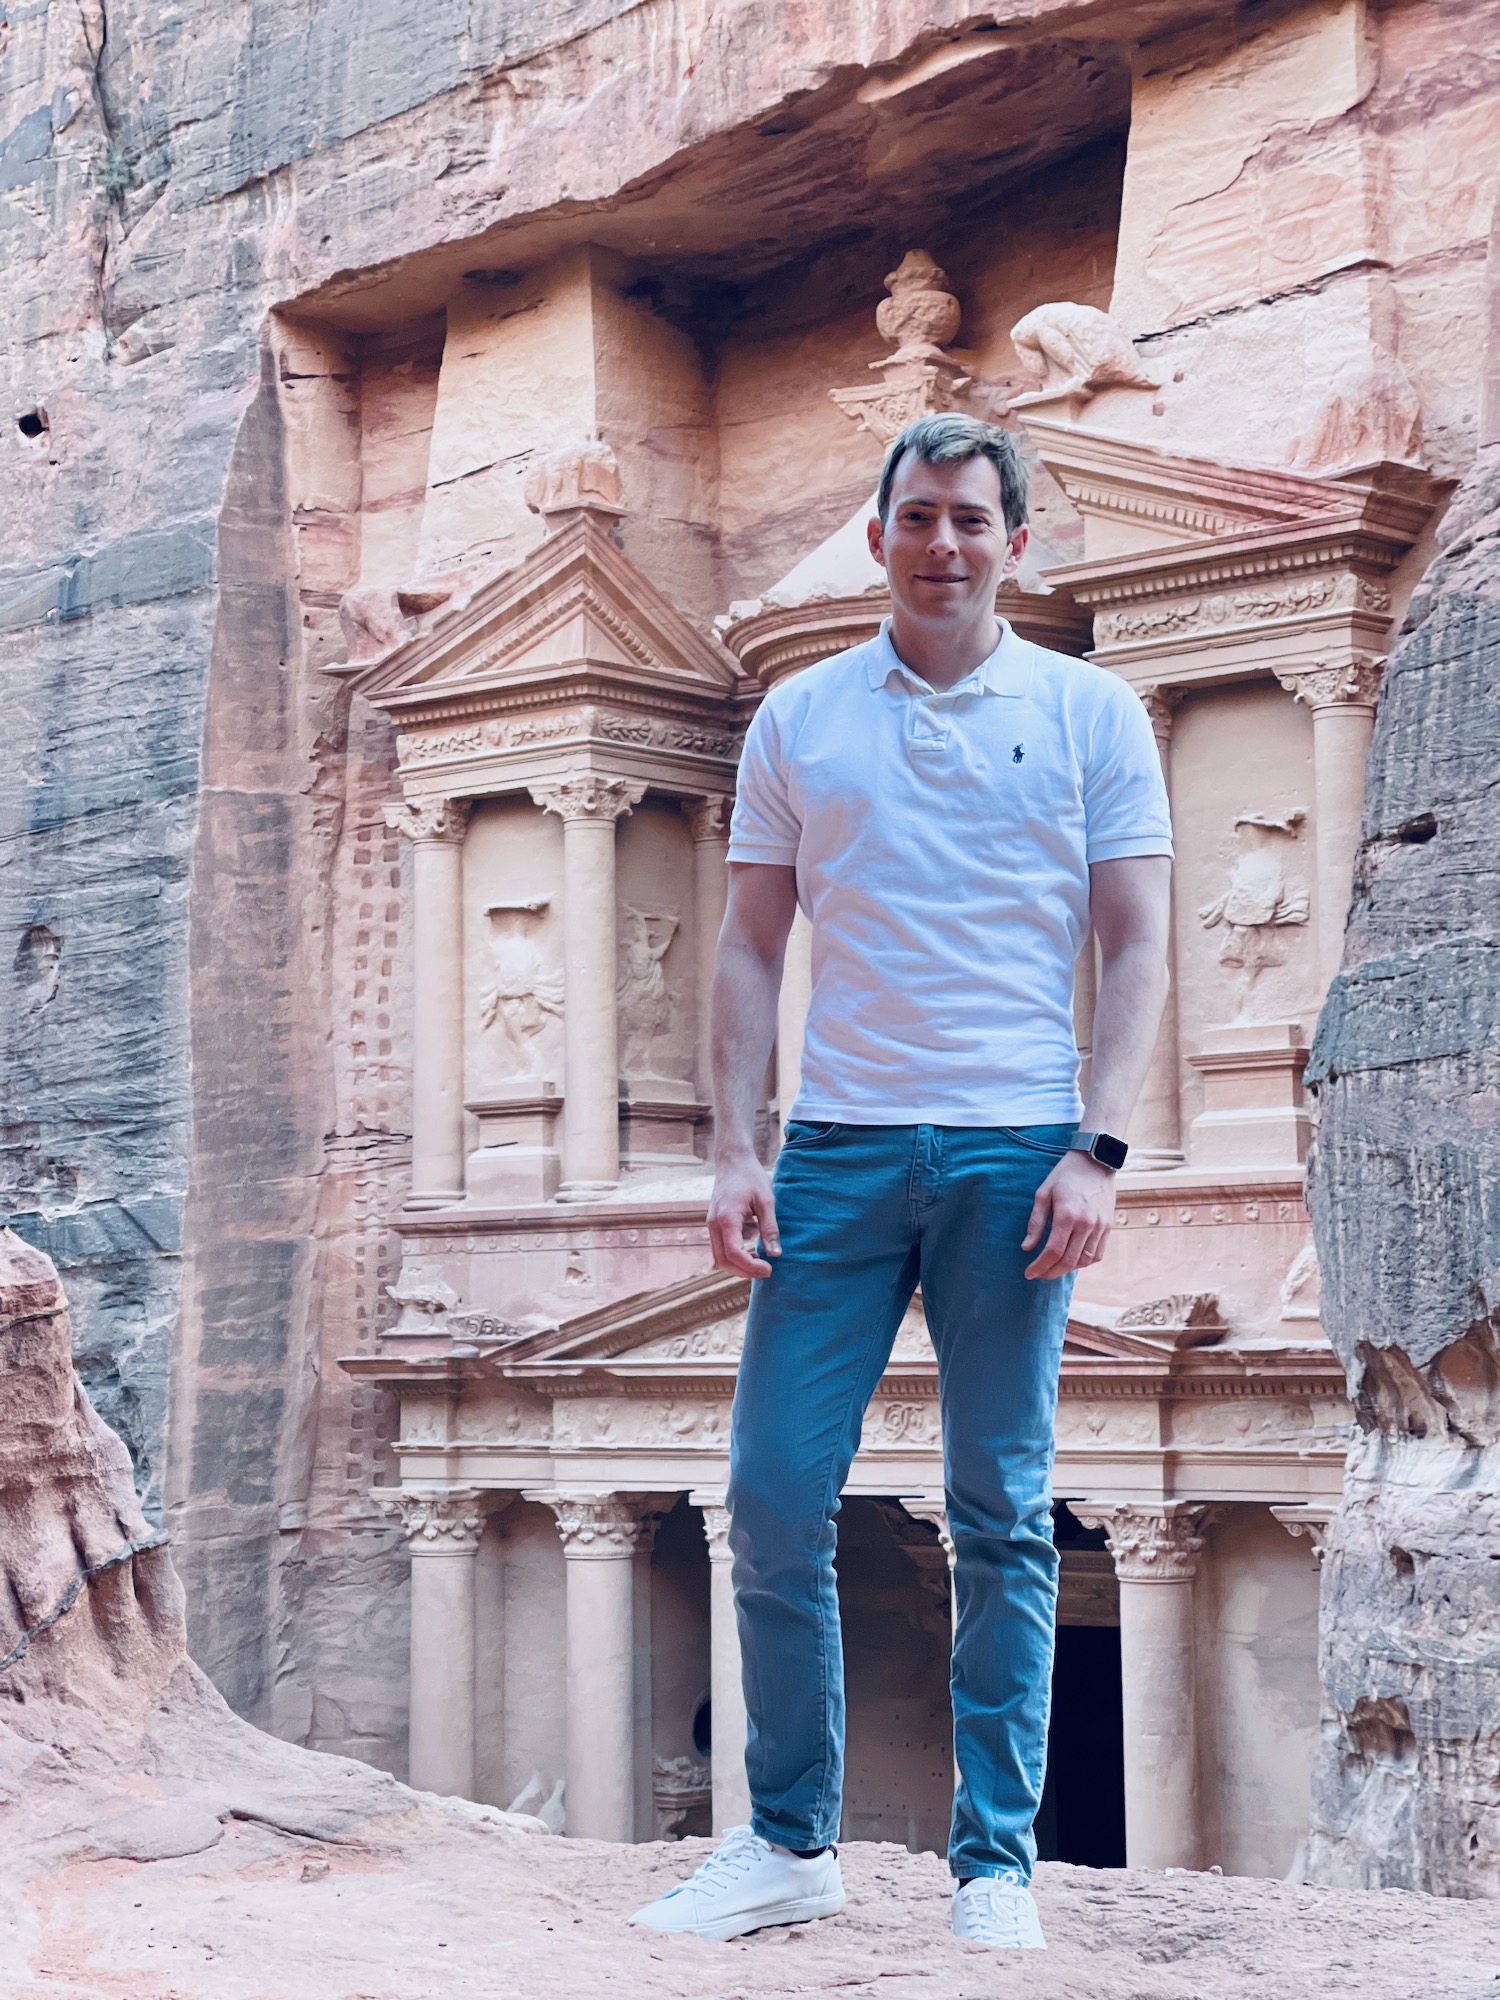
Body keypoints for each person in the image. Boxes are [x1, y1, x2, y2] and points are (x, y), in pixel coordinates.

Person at [629, 412, 1172, 1949]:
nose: (945, 543)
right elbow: (747, 942)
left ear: (1016, 542)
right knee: (774, 1491)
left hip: (1016, 1149)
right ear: (879, 537)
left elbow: (1135, 941)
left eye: (973, 520)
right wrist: (736, 1144)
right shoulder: (801, 718)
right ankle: (792, 1841)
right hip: (840, 1150)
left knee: (999, 1507)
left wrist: (1100, 1148)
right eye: (919, 516)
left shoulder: (1088, 713)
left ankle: (993, 1864)